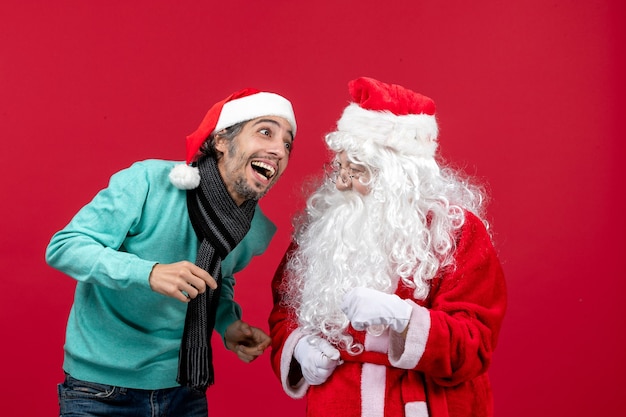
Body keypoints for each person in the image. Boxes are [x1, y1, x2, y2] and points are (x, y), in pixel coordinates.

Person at [46, 87, 297, 417]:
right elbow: (65, 247)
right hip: (100, 391)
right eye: (266, 132)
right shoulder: (148, 182)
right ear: (222, 139)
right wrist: (150, 273)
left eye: (288, 143)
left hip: (184, 390)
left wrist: (228, 324)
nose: (278, 149)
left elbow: (216, 283)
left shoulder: (255, 230)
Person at [269, 77, 507, 417]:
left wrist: (404, 318)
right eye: (339, 166)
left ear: (399, 176)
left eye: (357, 170)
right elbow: (285, 310)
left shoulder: (454, 231)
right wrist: (300, 349)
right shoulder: (325, 223)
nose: (340, 182)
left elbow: (475, 345)